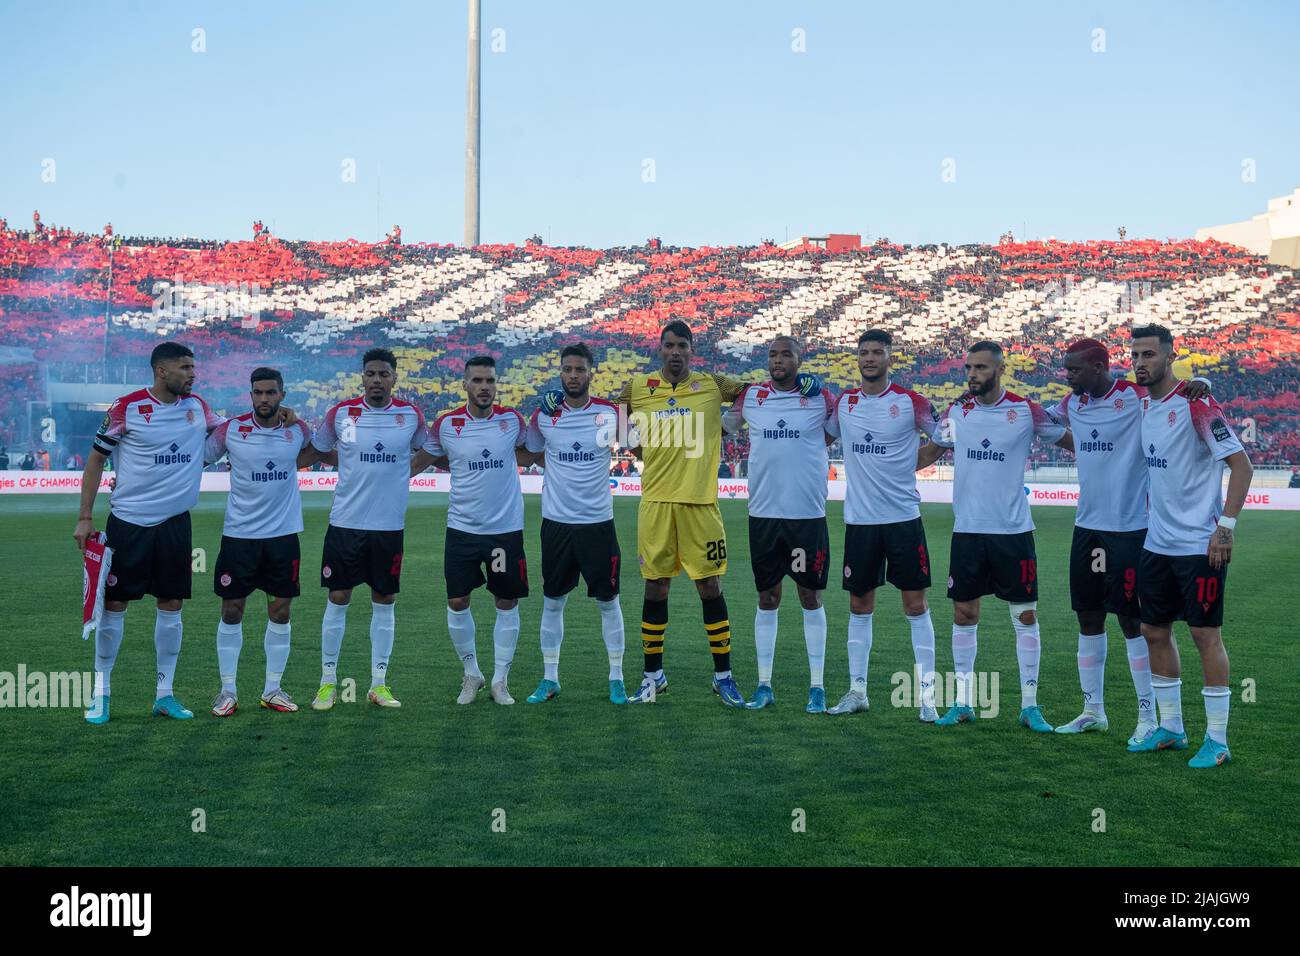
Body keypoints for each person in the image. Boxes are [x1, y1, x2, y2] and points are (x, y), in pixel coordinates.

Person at [609, 320, 820, 707]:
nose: (676, 352)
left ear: (692, 351)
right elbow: (618, 424)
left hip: (702, 504)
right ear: (660, 349)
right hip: (655, 503)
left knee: (710, 587)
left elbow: (758, 394)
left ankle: (723, 677)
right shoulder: (637, 388)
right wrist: (645, 454)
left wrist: (804, 384)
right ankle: (652, 676)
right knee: (656, 586)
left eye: (683, 346)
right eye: (669, 345)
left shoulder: (712, 384)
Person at [1048, 338, 1209, 745]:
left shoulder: (1135, 396)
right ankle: (1092, 711)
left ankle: (1147, 717)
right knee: (1088, 617)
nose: (1067, 377)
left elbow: (1172, 391)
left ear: (1100, 367)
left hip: (1132, 529)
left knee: (1132, 622)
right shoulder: (1073, 403)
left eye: (1074, 370)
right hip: (1088, 528)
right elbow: (1045, 423)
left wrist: (1201, 381)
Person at [918, 340, 1071, 732]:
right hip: (968, 531)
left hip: (1013, 532)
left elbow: (1073, 439)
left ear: (1000, 370)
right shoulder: (956, 412)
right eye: (969, 367)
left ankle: (1030, 705)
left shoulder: (1025, 411)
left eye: (981, 368)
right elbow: (928, 453)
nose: (972, 374)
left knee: (1024, 615)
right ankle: (963, 701)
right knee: (964, 614)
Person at [72, 342, 225, 724]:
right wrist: (85, 517)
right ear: (162, 371)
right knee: (115, 606)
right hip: (128, 523)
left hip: (175, 524)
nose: (193, 373)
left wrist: (281, 419)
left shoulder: (198, 407)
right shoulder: (127, 408)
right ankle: (101, 694)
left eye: (194, 366)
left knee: (172, 605)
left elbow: (230, 434)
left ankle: (164, 694)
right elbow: (95, 460)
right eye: (185, 367)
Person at [1128, 325, 1253, 768]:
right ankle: (1171, 729)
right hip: (1156, 544)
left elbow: (1242, 465)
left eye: (1149, 355)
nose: (1141, 362)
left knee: (1204, 635)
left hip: (1201, 545)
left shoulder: (1197, 403)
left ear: (1169, 355)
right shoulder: (1143, 402)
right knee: (1154, 632)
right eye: (1135, 355)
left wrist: (1226, 527)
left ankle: (1217, 740)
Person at [297, 348, 428, 711]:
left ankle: (378, 684)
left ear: (394, 378)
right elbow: (318, 450)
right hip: (345, 524)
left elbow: (430, 449)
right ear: (362, 377)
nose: (376, 380)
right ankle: (326, 683)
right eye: (370, 373)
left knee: (384, 600)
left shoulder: (410, 415)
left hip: (388, 527)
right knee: (338, 598)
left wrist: (407, 471)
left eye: (383, 374)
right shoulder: (341, 414)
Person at [823, 329, 943, 721]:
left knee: (915, 605)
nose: (870, 358)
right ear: (857, 359)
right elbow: (822, 435)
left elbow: (944, 437)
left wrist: (913, 463)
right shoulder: (846, 402)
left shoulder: (912, 403)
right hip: (860, 521)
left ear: (891, 358)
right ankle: (858, 691)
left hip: (903, 519)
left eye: (877, 352)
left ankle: (927, 695)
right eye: (864, 352)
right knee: (859, 605)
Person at [723, 336, 836, 713]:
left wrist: (829, 393)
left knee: (809, 596)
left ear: (799, 360)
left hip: (806, 517)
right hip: (764, 517)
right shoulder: (752, 397)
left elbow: (841, 423)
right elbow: (722, 426)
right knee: (767, 597)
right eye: (772, 354)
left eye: (786, 353)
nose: (778, 360)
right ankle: (764, 684)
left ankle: (817, 687)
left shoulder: (820, 398)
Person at [411, 356, 531, 705]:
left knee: (505, 601)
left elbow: (533, 450)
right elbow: (417, 464)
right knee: (457, 600)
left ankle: (500, 680)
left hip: (503, 533)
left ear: (496, 384)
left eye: (490, 381)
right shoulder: (447, 425)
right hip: (462, 530)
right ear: (464, 384)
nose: (484, 387)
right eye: (477, 380)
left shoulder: (512, 421)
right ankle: (472, 673)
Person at [520, 343, 627, 704]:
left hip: (598, 523)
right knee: (552, 602)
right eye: (567, 369)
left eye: (580, 369)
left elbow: (640, 444)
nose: (573, 375)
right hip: (557, 524)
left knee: (609, 602)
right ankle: (550, 677)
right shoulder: (546, 415)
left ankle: (617, 677)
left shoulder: (611, 413)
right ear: (560, 372)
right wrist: (536, 410)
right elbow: (529, 452)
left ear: (591, 372)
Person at [204, 368, 311, 716]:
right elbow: (195, 459)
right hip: (239, 536)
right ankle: (227, 691)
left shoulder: (297, 430)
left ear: (282, 394)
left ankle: (272, 689)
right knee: (231, 610)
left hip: (283, 537)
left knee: (280, 611)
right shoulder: (231, 430)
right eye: (257, 393)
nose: (263, 399)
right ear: (250, 395)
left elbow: (321, 452)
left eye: (270, 392)